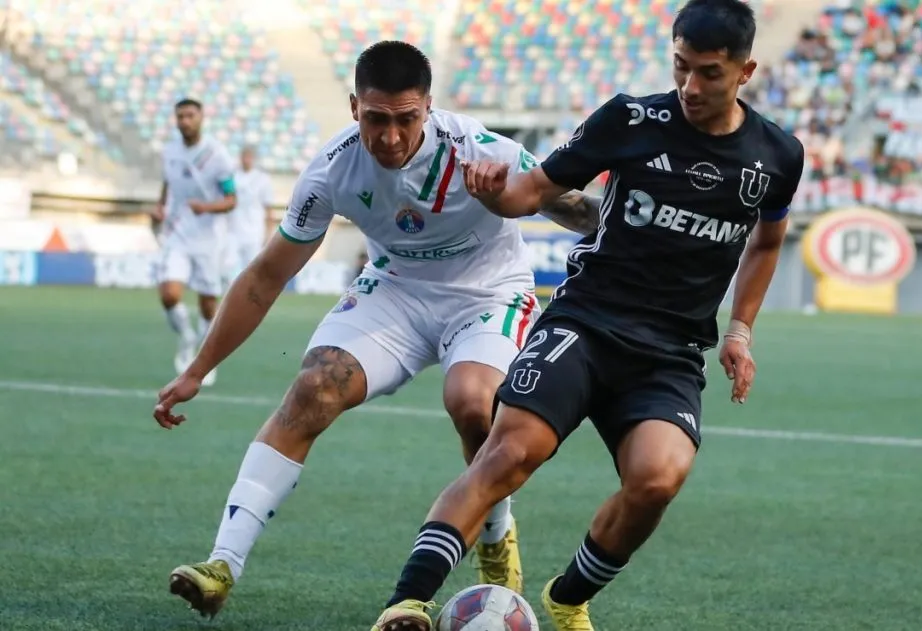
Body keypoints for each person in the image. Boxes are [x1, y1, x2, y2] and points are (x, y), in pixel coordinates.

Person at [369, 1, 805, 629]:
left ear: (746, 71)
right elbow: (532, 191)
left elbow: (766, 242)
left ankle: (568, 596)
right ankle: (406, 602)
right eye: (680, 66)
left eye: (709, 72)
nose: (690, 86)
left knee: (658, 479)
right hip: (585, 323)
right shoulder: (630, 118)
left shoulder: (778, 155)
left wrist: (740, 330)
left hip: (670, 351)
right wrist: (496, 193)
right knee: (508, 453)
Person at [151, 41, 601, 620]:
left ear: (429, 108)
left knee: (472, 402)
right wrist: (197, 369)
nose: (390, 137)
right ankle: (222, 564)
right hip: (395, 289)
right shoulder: (332, 169)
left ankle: (495, 536)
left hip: (488, 293)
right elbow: (265, 277)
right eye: (375, 119)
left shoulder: (479, 149)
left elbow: (573, 208)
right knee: (314, 387)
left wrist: (647, 228)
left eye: (406, 119)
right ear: (353, 108)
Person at [153, 98, 237, 387]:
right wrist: (160, 208)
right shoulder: (170, 151)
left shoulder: (217, 155)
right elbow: (166, 187)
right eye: (180, 116)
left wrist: (206, 207)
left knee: (208, 304)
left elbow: (231, 200)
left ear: (201, 118)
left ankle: (204, 357)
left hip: (209, 239)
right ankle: (187, 337)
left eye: (190, 115)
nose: (185, 121)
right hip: (177, 234)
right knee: (169, 295)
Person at [224, 146, 274, 283]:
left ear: (253, 158)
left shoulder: (262, 179)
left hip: (254, 232)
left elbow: (268, 208)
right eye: (244, 156)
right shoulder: (232, 176)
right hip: (233, 231)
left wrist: (268, 233)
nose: (246, 160)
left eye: (249, 157)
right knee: (230, 266)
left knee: (253, 268)